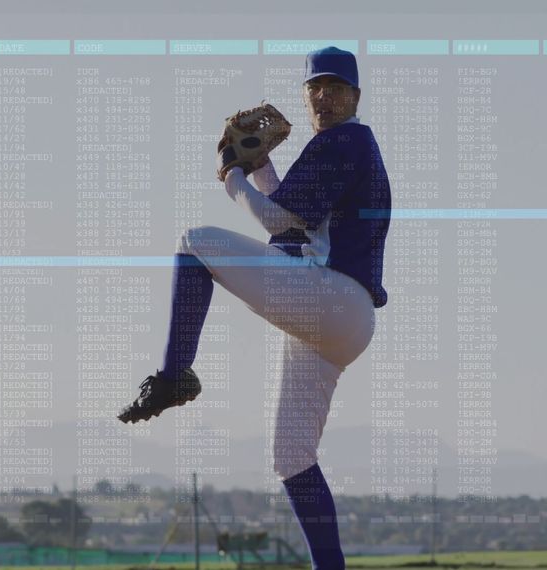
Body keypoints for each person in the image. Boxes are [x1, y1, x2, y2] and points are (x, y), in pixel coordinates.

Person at [118, 46, 390, 570]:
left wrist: (232, 176)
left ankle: (175, 374)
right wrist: (263, 167)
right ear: (305, 94)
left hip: (332, 298)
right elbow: (292, 229)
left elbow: (274, 222)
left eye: (336, 88)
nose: (324, 96)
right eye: (315, 87)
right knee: (292, 459)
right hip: (337, 317)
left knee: (195, 241)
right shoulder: (342, 148)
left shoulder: (346, 138)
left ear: (355, 97)